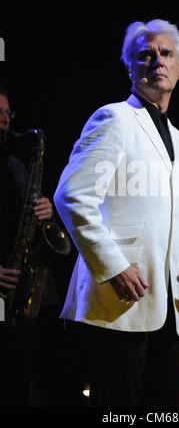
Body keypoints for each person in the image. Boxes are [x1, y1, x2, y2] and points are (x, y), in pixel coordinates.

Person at [54, 19, 179, 407]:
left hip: (169, 309)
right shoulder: (112, 118)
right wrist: (113, 266)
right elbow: (70, 197)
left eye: (166, 54)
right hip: (120, 303)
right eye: (145, 54)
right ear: (130, 67)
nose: (156, 60)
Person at [0, 83, 59, 407]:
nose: (6, 120)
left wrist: (47, 213)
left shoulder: (17, 165)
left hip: (18, 295)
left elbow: (32, 225)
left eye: (8, 113)